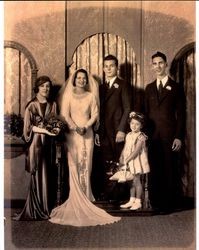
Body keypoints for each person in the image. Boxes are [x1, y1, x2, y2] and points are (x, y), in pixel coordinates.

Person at [49, 69, 121, 226]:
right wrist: (75, 127)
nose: (81, 80)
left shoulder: (90, 96)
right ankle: (75, 196)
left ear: (86, 81)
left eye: (83, 78)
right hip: (72, 134)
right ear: (74, 80)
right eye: (78, 78)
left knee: (86, 164)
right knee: (74, 165)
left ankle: (86, 196)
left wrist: (86, 126)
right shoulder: (68, 96)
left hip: (87, 134)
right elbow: (65, 115)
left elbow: (95, 114)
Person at [13, 76, 59, 220]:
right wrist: (45, 131)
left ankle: (47, 208)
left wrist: (57, 129)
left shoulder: (53, 104)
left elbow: (56, 122)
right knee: (39, 176)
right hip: (36, 145)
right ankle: (38, 209)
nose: (46, 89)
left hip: (49, 145)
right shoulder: (31, 106)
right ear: (37, 88)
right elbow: (27, 129)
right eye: (43, 86)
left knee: (49, 175)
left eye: (48, 86)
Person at [144, 51, 185, 214]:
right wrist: (144, 136)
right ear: (152, 66)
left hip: (170, 136)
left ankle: (169, 205)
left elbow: (181, 115)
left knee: (169, 169)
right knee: (154, 169)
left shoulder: (176, 87)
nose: (158, 66)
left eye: (161, 63)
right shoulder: (149, 88)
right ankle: (156, 203)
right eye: (155, 63)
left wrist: (178, 137)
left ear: (166, 65)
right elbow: (146, 114)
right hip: (153, 137)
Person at [96, 54, 132, 201]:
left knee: (119, 162)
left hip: (118, 131)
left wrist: (122, 129)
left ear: (117, 68)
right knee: (107, 163)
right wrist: (97, 132)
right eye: (106, 66)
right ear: (103, 68)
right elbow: (97, 111)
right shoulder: (100, 87)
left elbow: (127, 108)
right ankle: (109, 195)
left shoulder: (123, 85)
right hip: (104, 132)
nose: (108, 68)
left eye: (112, 66)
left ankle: (119, 196)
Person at [119, 111, 150, 210]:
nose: (134, 126)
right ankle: (131, 200)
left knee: (137, 181)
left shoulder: (141, 136)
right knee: (131, 181)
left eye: (137, 124)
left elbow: (136, 151)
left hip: (137, 161)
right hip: (128, 161)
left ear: (141, 126)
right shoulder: (128, 135)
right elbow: (125, 147)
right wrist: (122, 157)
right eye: (132, 123)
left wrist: (127, 159)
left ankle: (138, 201)